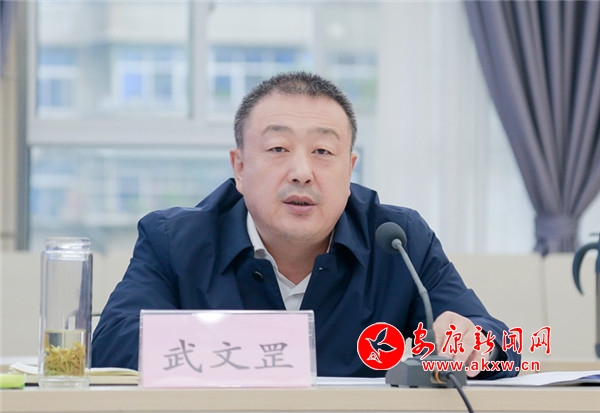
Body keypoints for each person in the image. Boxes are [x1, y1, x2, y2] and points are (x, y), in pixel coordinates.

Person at [92, 71, 520, 379]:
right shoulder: (173, 241)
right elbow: (112, 345)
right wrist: (266, 349)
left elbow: (501, 344)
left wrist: (472, 343)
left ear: (349, 169)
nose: (301, 172)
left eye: (323, 152)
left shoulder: (398, 240)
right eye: (278, 148)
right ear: (239, 167)